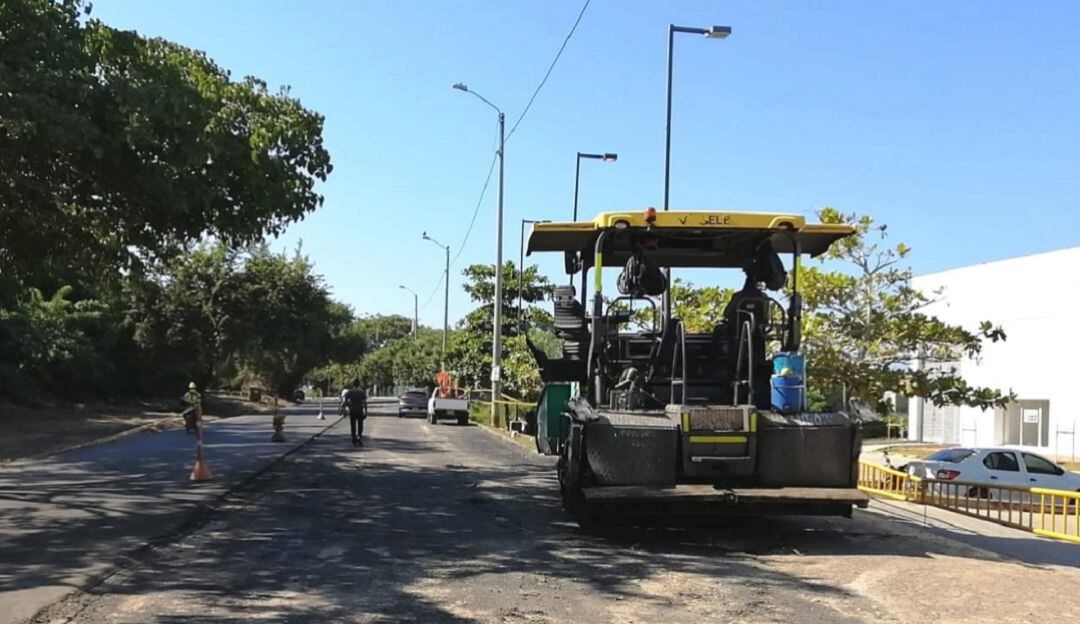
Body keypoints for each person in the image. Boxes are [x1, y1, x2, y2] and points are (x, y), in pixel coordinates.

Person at [340, 380, 368, 447]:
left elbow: (345, 402)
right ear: (359, 384)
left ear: (353, 385)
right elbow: (364, 402)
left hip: (352, 410)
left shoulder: (349, 392)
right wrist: (366, 411)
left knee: (353, 425)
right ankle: (359, 437)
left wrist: (343, 409)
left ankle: (353, 439)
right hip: (360, 410)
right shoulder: (361, 392)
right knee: (360, 425)